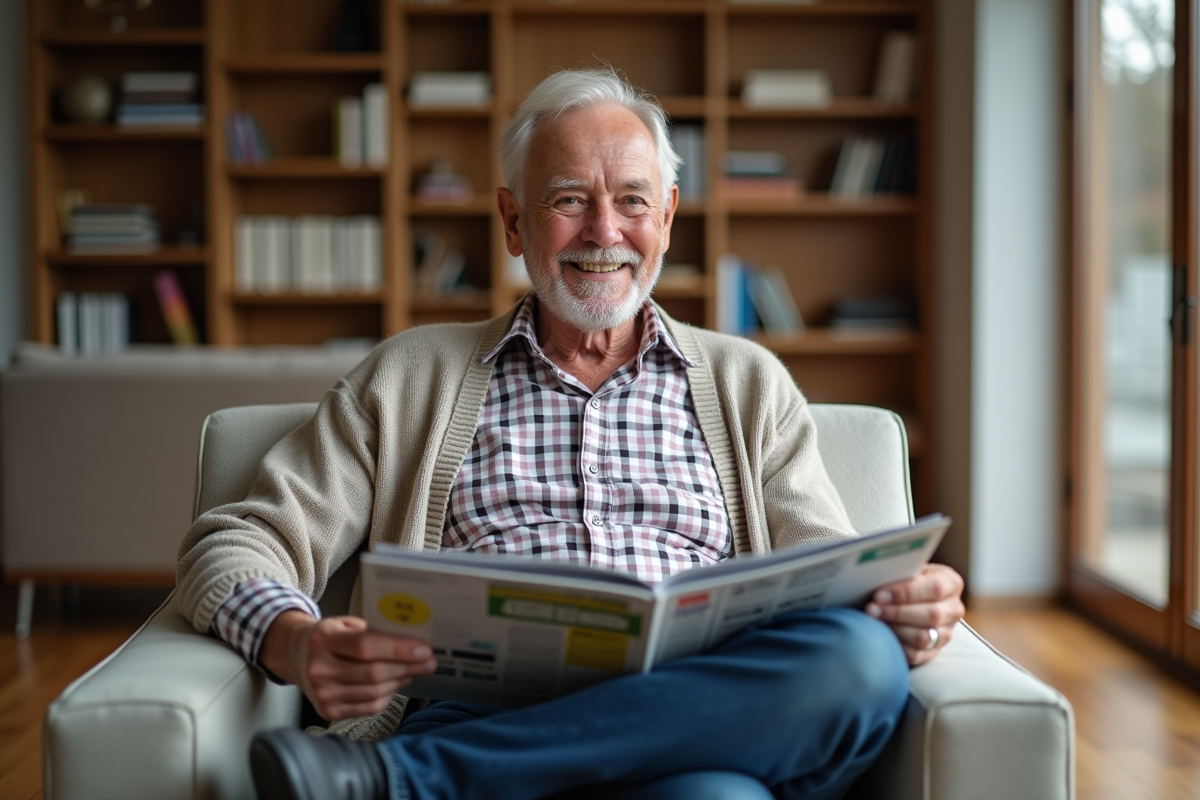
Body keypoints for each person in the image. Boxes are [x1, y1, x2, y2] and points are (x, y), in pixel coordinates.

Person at [176, 67, 965, 800]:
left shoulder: (747, 383)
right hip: (482, 711)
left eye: (630, 200)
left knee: (859, 658)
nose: (603, 232)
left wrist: (901, 605)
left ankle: (396, 781)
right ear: (513, 221)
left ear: (666, 217)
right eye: (567, 200)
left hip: (698, 718)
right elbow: (234, 543)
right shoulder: (409, 377)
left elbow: (830, 582)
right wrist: (294, 641)